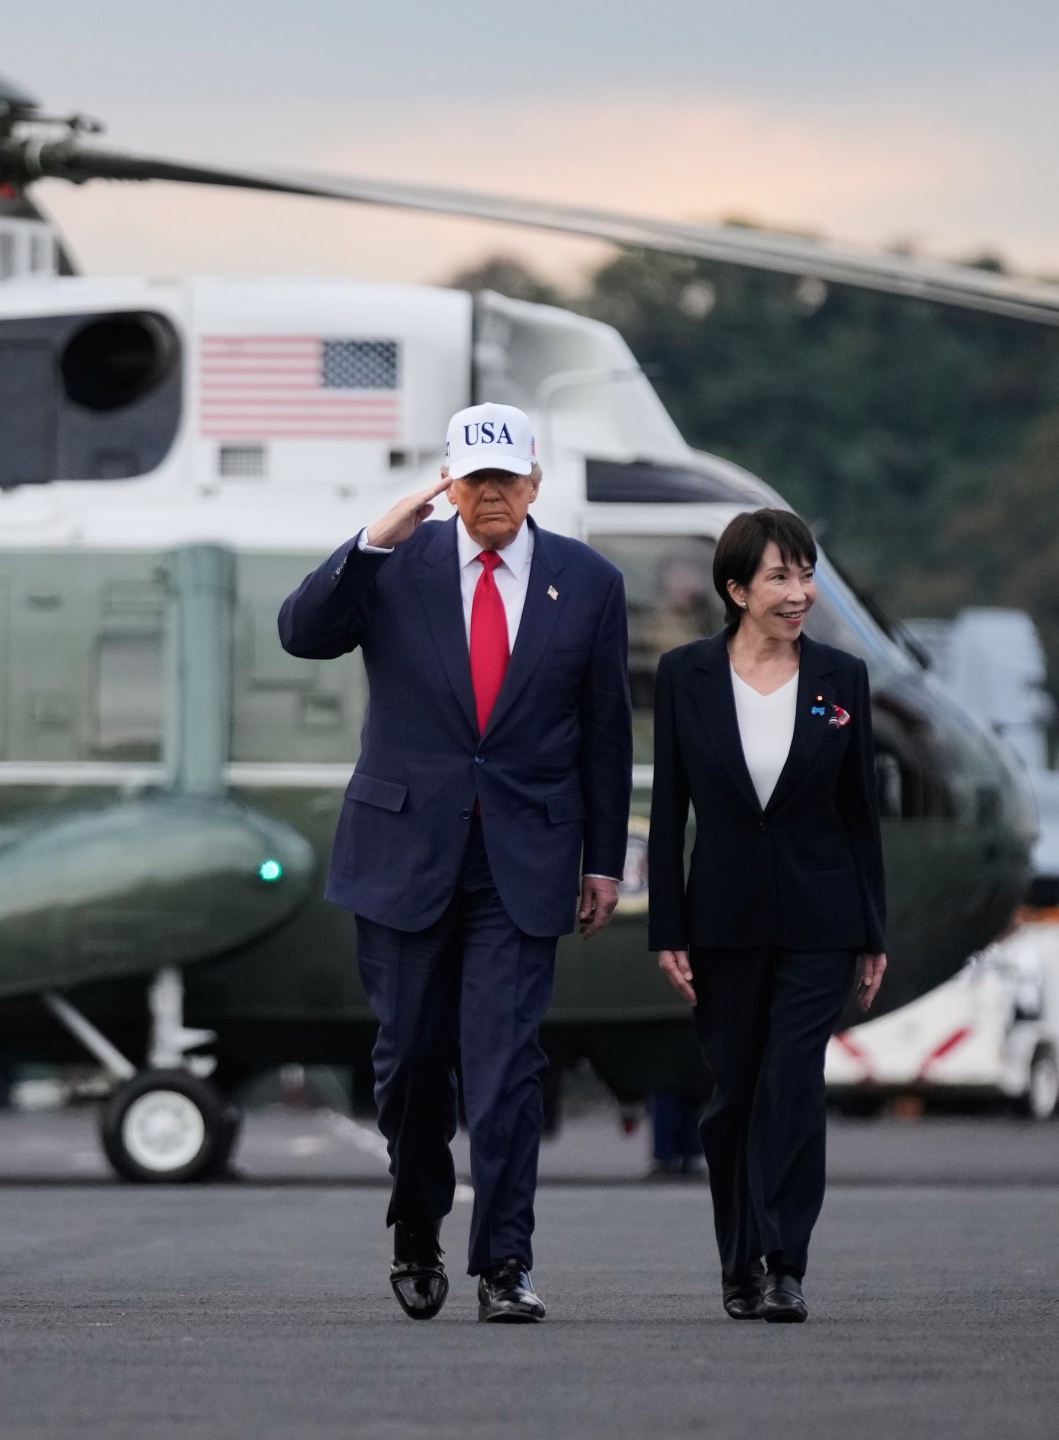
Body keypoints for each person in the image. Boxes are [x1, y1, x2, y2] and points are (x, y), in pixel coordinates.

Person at [278, 402, 632, 1324]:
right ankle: (416, 1231)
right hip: (404, 852)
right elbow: (301, 632)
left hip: (524, 857)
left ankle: (505, 1263)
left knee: (507, 1066)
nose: (492, 494)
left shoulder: (588, 582)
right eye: (475, 479)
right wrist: (373, 539)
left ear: (535, 483)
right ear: (449, 482)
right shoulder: (396, 564)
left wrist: (603, 861)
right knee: (411, 1062)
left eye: (507, 478)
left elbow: (605, 732)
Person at [647, 507, 887, 1324]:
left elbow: (859, 816)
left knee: (792, 1082)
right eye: (780, 576)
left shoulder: (841, 679)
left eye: (806, 575)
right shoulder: (685, 675)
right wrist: (668, 928)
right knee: (735, 1098)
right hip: (723, 920)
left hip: (824, 919)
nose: (800, 593)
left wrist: (873, 931)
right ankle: (739, 1261)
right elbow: (670, 808)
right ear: (737, 590)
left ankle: (785, 1263)